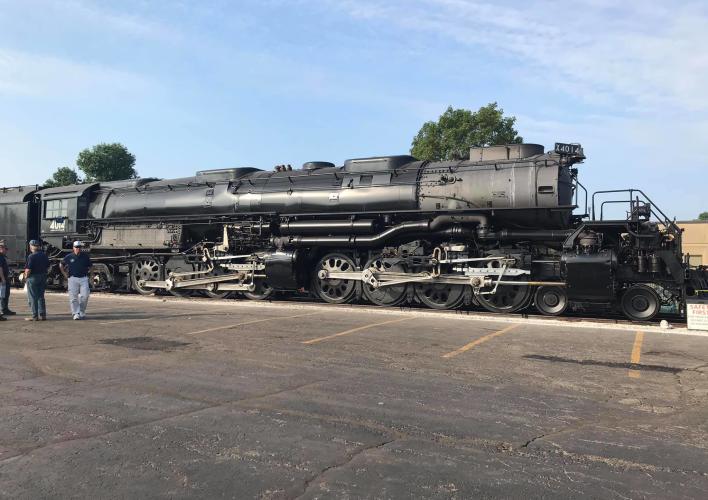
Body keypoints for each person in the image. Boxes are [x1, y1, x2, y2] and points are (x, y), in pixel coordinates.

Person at [60, 241, 92, 320]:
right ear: (73, 248)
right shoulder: (69, 256)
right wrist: (65, 274)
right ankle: (76, 313)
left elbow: (91, 266)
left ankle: (81, 311)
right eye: (76, 247)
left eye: (79, 247)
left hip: (83, 278)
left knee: (85, 296)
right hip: (73, 278)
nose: (78, 248)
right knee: (73, 297)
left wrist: (91, 276)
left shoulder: (85, 257)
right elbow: (61, 264)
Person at [24, 240, 50, 321]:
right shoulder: (44, 255)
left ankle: (35, 316)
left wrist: (25, 277)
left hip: (33, 278)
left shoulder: (31, 256)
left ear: (31, 246)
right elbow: (48, 266)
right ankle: (43, 315)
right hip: (42, 276)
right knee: (41, 296)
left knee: (33, 297)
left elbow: (28, 269)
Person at [0, 241, 16, 317]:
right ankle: (4, 309)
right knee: (3, 295)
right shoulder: (0, 256)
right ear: (1, 248)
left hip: (5, 278)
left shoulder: (3, 256)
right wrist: (3, 278)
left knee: (6, 294)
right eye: (5, 249)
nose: (6, 250)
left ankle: (5, 309)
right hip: (2, 279)